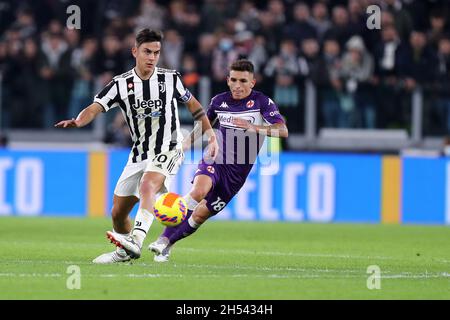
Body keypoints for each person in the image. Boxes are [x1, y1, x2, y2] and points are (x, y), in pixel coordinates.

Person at [55, 29, 218, 264]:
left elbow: (195, 107)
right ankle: (123, 251)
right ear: (135, 51)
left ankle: (137, 240)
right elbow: (95, 107)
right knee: (118, 212)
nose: (152, 57)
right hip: (139, 152)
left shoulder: (170, 79)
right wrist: (79, 120)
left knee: (148, 185)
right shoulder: (120, 84)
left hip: (169, 147)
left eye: (156, 53)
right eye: (147, 52)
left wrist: (210, 135)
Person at [144, 59, 289, 262]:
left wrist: (255, 128)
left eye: (243, 81)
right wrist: (186, 142)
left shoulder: (261, 102)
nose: (238, 85)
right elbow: (205, 123)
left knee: (200, 216)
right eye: (234, 80)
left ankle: (169, 244)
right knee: (198, 191)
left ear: (252, 82)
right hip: (216, 157)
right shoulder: (219, 101)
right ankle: (161, 239)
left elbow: (283, 130)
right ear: (228, 80)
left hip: (236, 174)